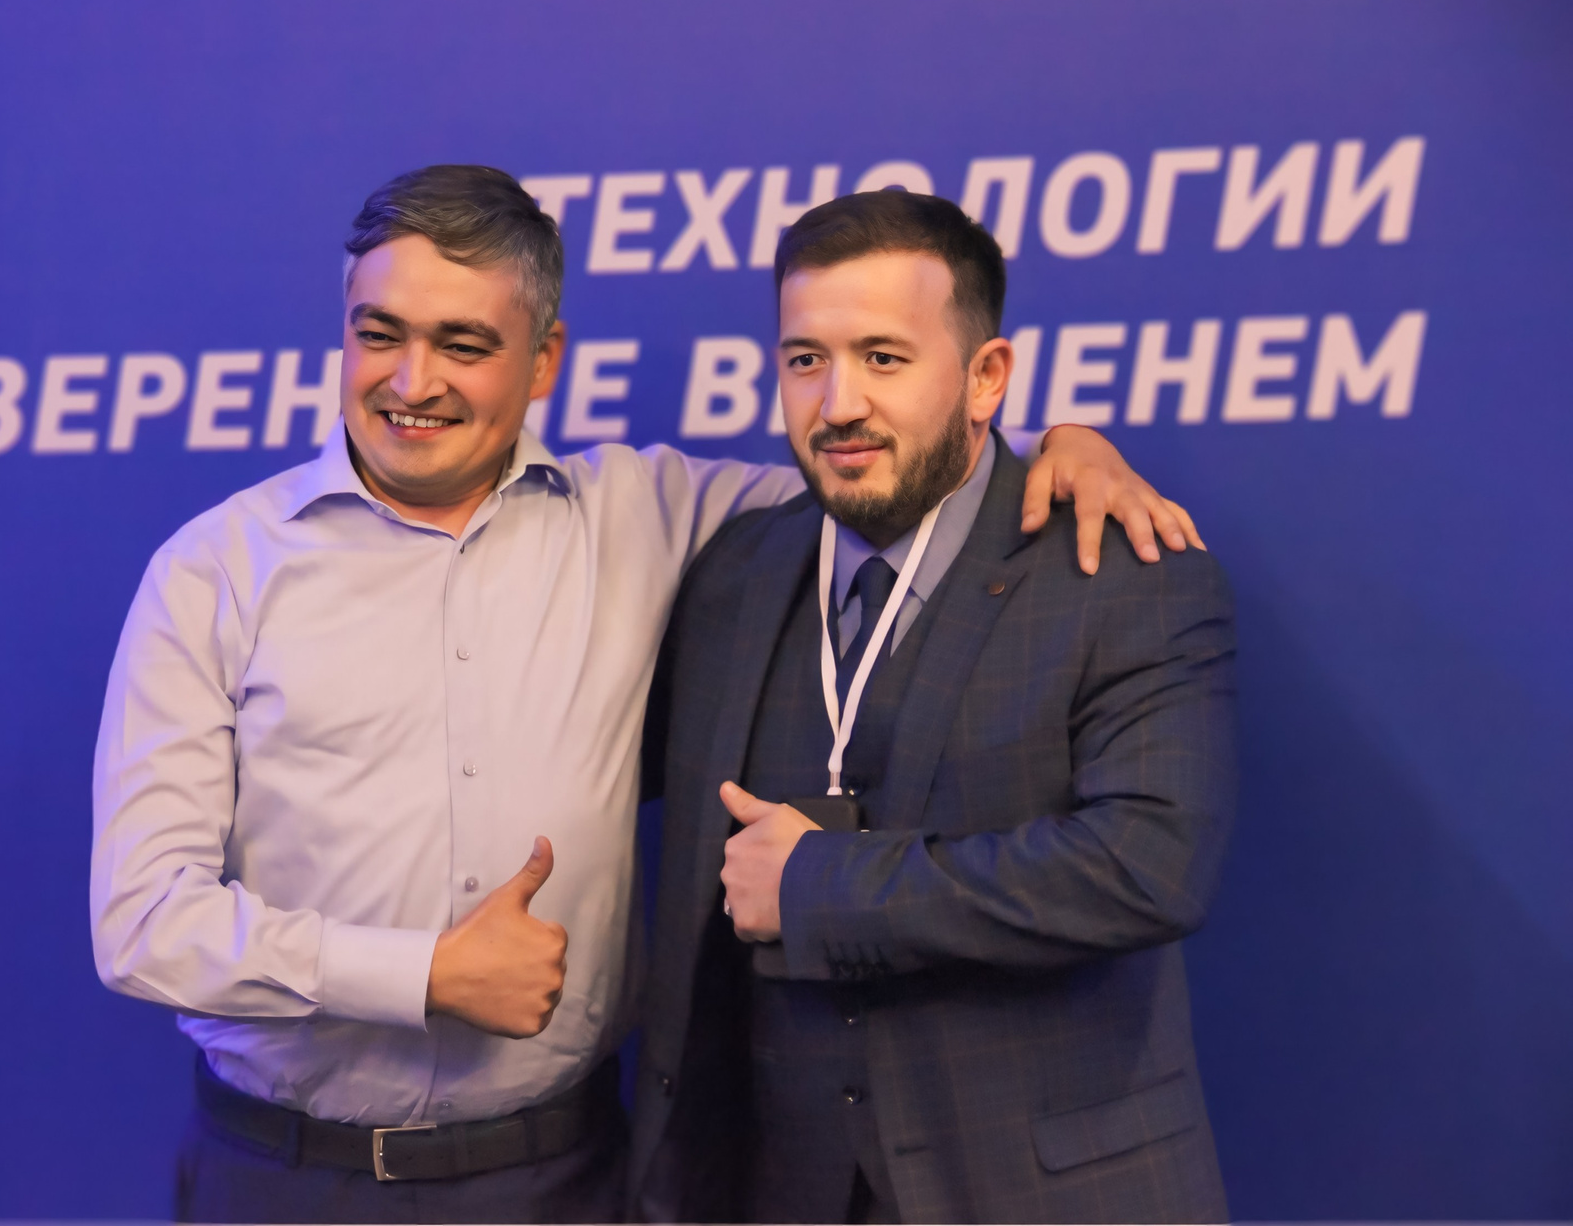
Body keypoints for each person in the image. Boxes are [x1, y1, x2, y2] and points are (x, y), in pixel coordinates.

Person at [90, 166, 1200, 1224]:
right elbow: (140, 922)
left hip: (556, 1180)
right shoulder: (214, 571)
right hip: (280, 1178)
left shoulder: (649, 517)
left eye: (463, 344)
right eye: (379, 334)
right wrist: (422, 974)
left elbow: (887, 468)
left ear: (543, 361)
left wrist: (1062, 447)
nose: (412, 382)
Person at [632, 190, 1236, 1224]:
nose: (838, 404)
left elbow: (1148, 867)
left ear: (986, 376)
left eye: (884, 357)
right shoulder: (729, 574)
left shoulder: (1125, 570)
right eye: (806, 359)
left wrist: (819, 885)